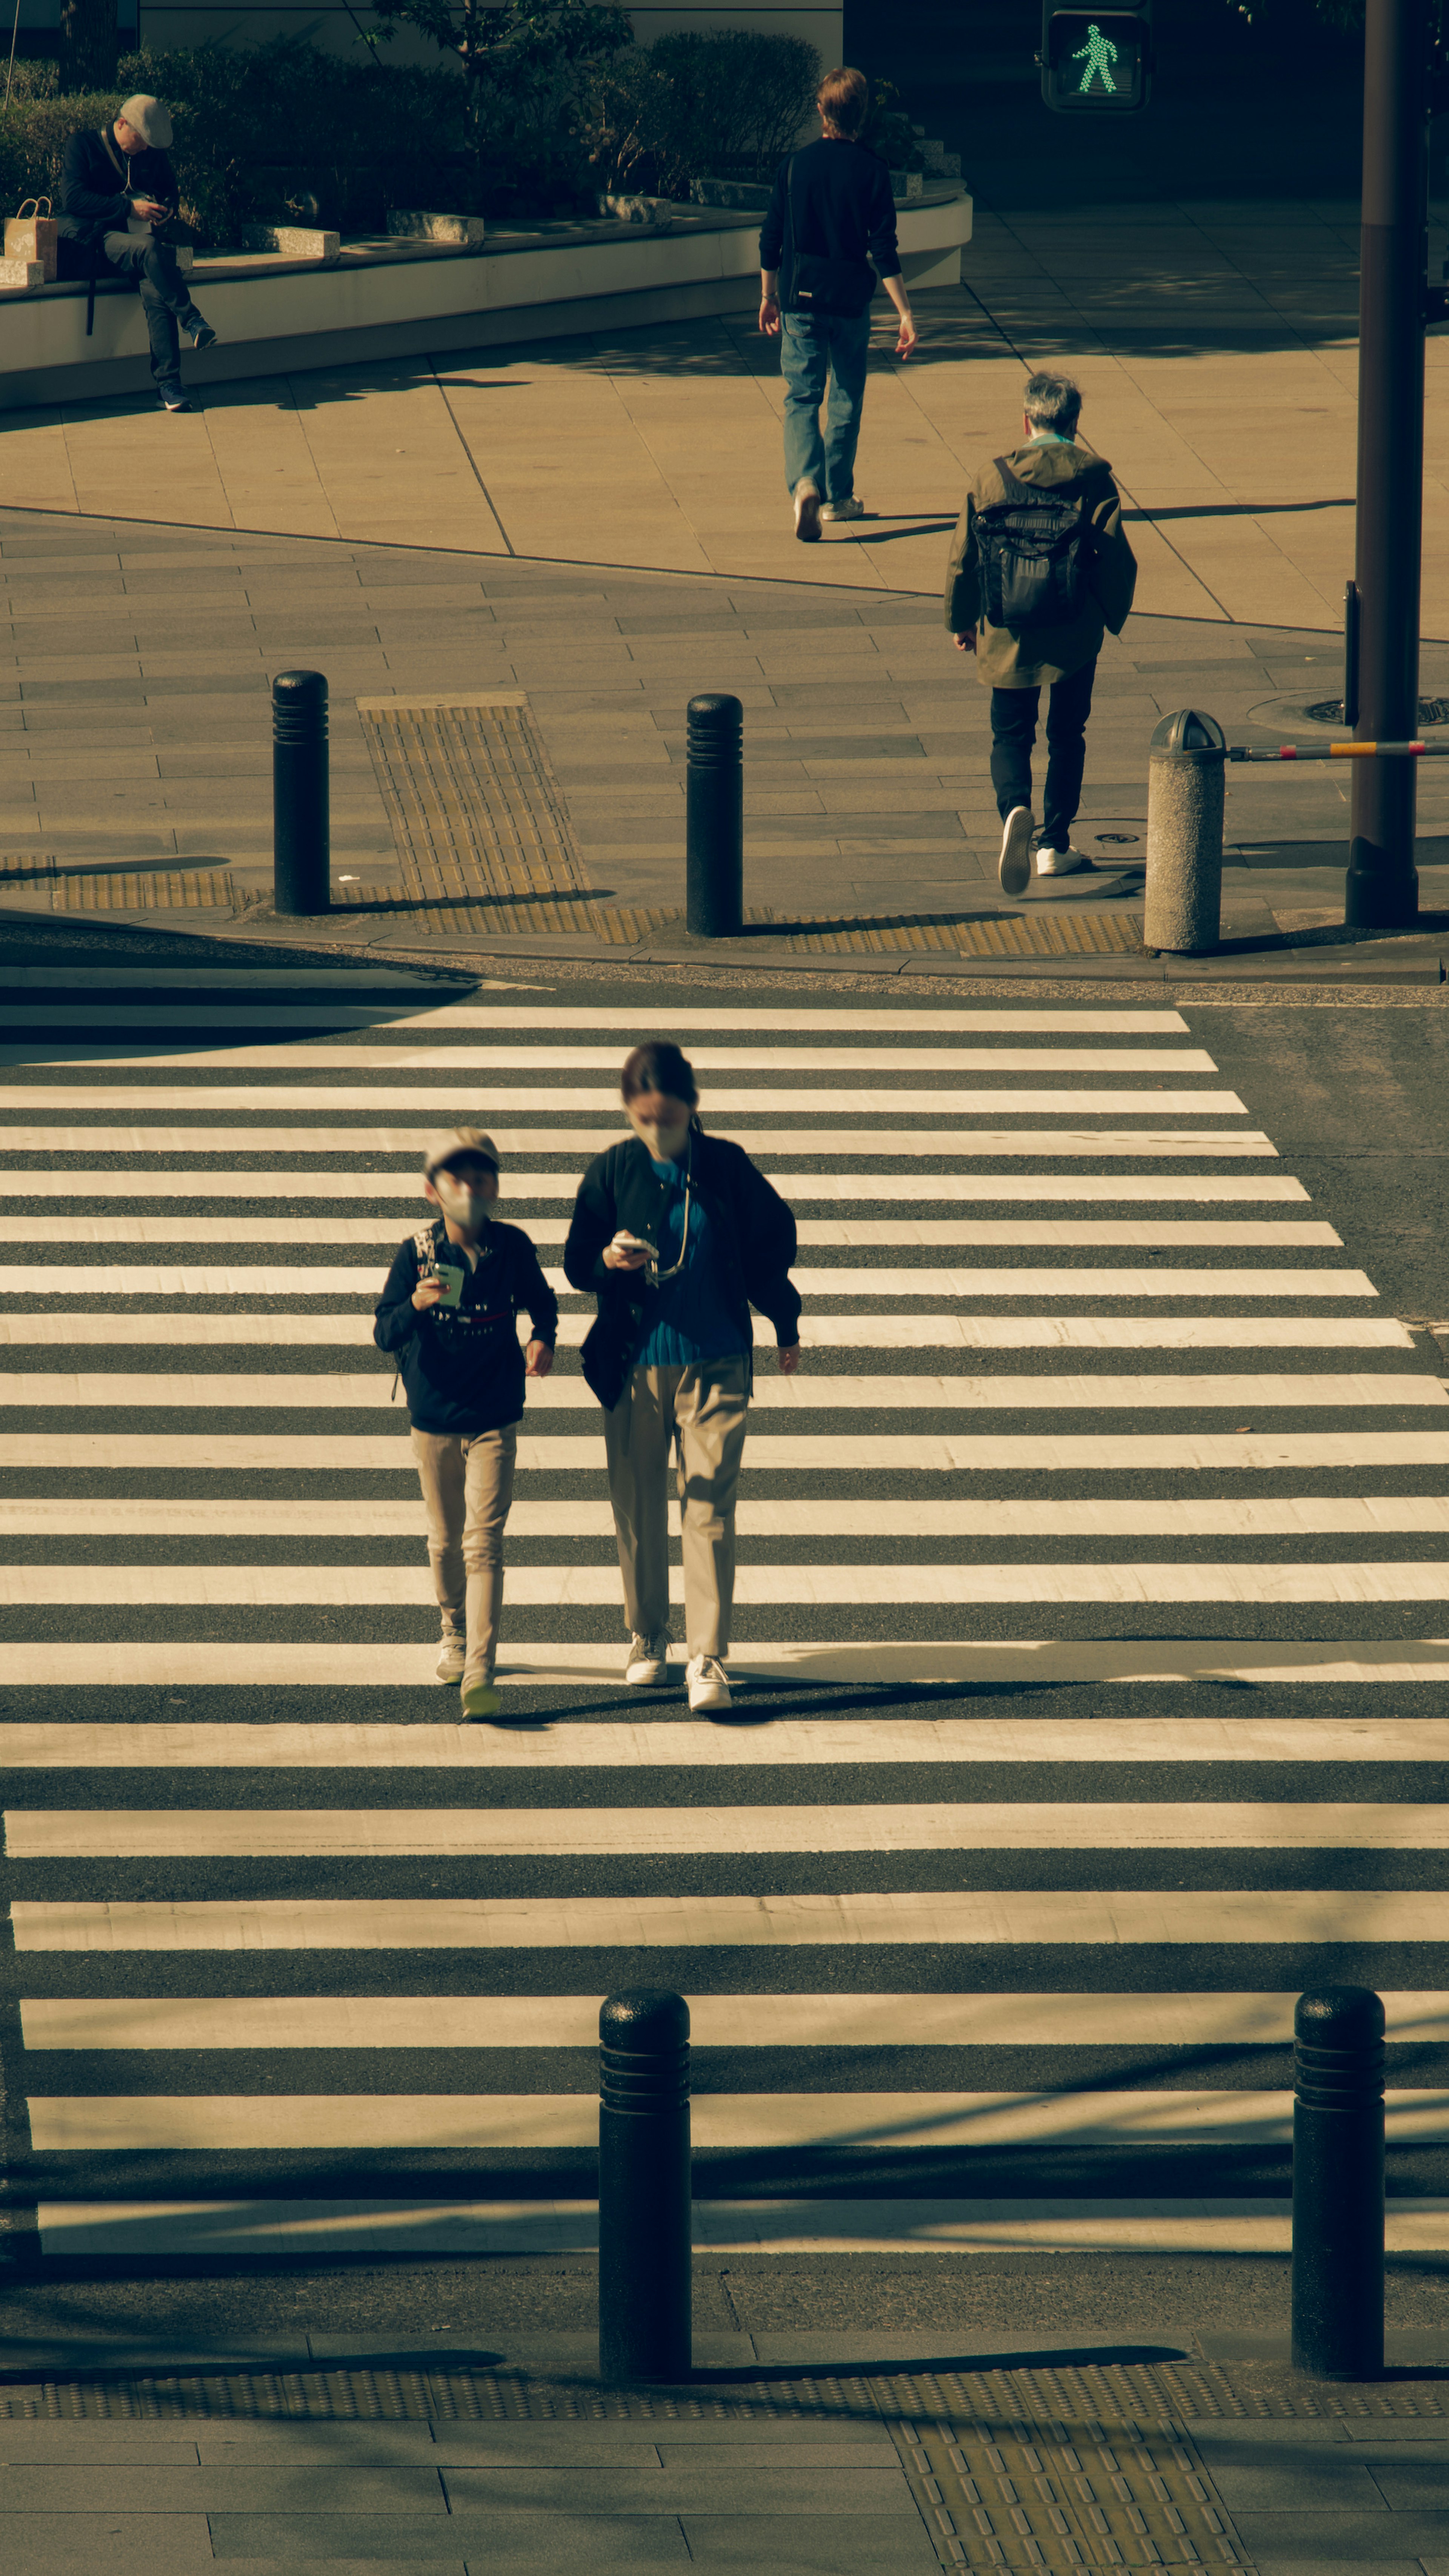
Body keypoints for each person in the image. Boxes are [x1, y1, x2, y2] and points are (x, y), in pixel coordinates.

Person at [564, 1041, 801, 1715]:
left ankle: (707, 1654)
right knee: (636, 1504)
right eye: (643, 1119)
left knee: (708, 1506)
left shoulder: (724, 1166)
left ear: (693, 1109)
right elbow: (576, 1259)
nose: (656, 1133)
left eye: (667, 1119)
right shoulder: (614, 1168)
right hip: (634, 1362)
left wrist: (785, 1322)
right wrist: (609, 1260)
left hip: (717, 1356)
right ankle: (648, 1638)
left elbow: (770, 1246)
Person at [374, 1130, 557, 1721]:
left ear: (495, 1187)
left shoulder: (511, 1247)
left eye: (480, 1178)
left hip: (494, 1415)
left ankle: (479, 1668)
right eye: (456, 1179)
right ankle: (453, 1629)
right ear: (432, 1192)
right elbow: (383, 1333)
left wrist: (542, 1340)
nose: (469, 1189)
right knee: (446, 1540)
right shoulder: (417, 1254)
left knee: (484, 1544)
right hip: (433, 1417)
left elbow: (543, 1302)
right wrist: (416, 1307)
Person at [944, 370, 1137, 895]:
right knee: (1067, 734)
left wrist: (962, 621)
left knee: (1010, 733)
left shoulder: (990, 477)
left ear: (1026, 420)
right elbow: (1116, 556)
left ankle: (1014, 809)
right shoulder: (1094, 478)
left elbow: (964, 558)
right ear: (1074, 425)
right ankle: (1053, 844)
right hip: (1074, 626)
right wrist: (1112, 614)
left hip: (1008, 626)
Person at [758, 65, 918, 544]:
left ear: (821, 110)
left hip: (799, 299)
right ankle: (837, 498)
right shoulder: (872, 171)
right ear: (863, 115)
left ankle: (805, 482)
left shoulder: (794, 166)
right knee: (847, 395)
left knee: (802, 396)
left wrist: (768, 297)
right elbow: (884, 250)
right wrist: (905, 312)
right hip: (849, 301)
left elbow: (771, 240)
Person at [58, 94, 217, 416]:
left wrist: (166, 209)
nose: (144, 148)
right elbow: (73, 199)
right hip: (95, 242)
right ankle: (193, 319)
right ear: (121, 124)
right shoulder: (83, 145)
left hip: (139, 245)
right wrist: (129, 208)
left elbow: (171, 189)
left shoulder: (150, 154)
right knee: (151, 249)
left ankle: (170, 385)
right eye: (140, 140)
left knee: (157, 290)